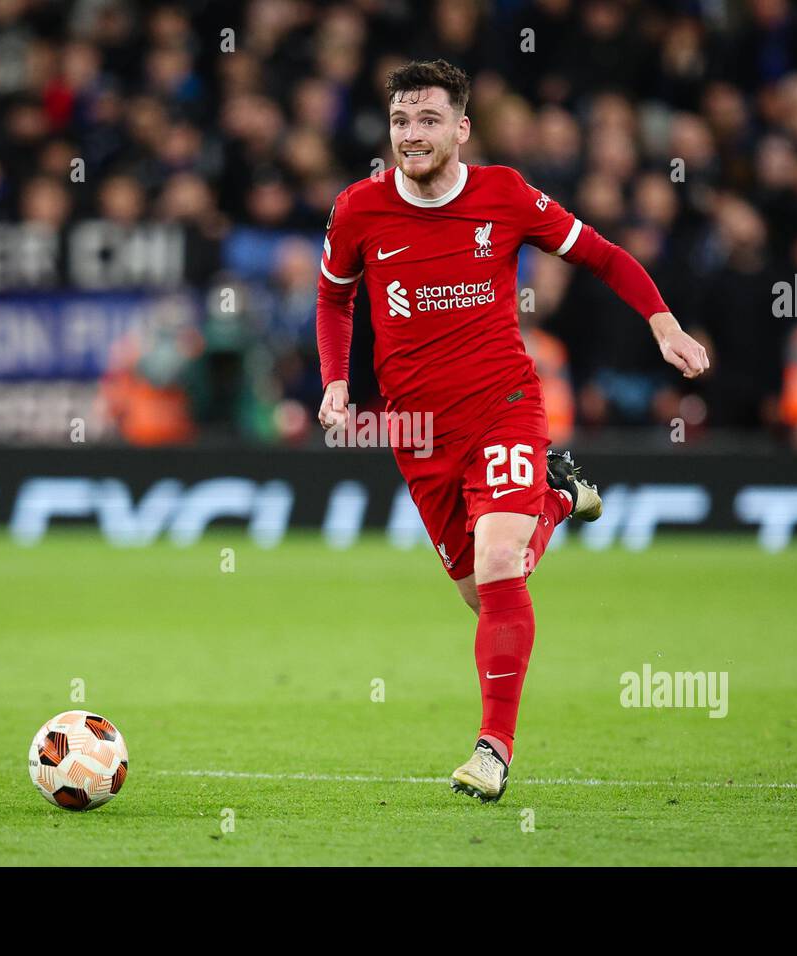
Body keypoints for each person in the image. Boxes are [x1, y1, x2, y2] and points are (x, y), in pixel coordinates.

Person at [314, 60, 708, 802]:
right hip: (419, 433)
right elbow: (333, 300)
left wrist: (663, 323)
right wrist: (337, 378)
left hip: (503, 406)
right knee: (483, 590)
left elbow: (602, 254)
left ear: (461, 129)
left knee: (499, 564)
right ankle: (557, 499)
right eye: (401, 121)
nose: (412, 134)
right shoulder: (358, 209)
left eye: (429, 120)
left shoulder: (505, 194)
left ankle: (493, 750)